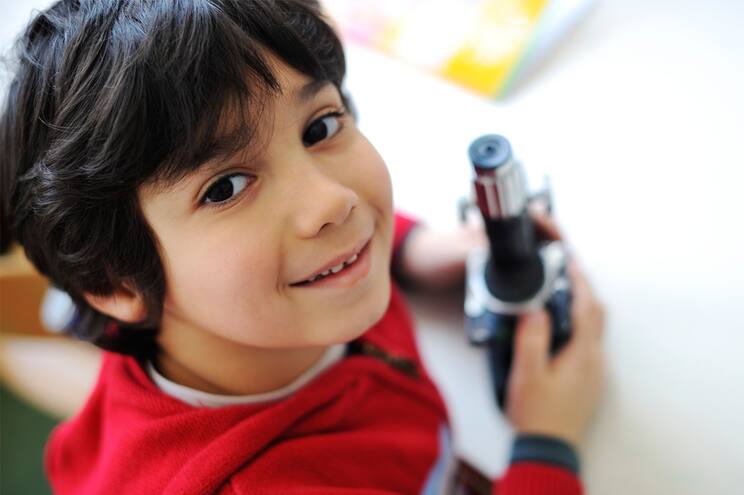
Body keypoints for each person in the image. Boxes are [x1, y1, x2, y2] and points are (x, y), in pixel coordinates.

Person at [0, 1, 605, 493]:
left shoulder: (260, 302)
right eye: (227, 187)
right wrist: (545, 445)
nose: (333, 202)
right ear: (117, 284)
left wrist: (413, 249)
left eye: (318, 128)